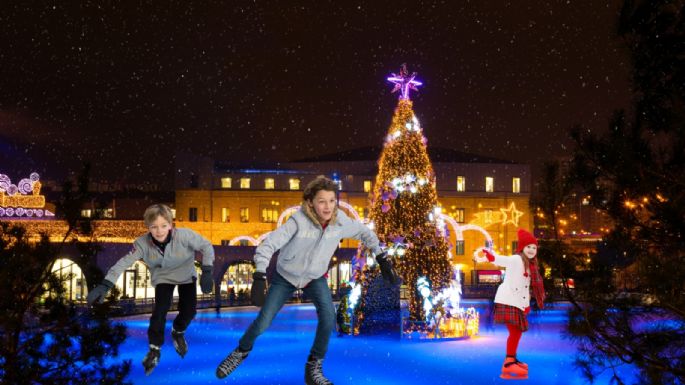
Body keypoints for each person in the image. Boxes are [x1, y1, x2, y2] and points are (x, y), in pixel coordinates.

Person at [215, 175, 398, 385]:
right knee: (264, 321)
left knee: (329, 317)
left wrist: (382, 258)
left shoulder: (340, 223)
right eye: (322, 201)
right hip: (286, 277)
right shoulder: (298, 222)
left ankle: (313, 367)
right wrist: (259, 275)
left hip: (314, 277)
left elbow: (366, 233)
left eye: (331, 200)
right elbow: (268, 245)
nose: (328, 206)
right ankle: (241, 351)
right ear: (311, 202)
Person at [86, 204, 215, 375]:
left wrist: (207, 270)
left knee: (189, 311)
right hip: (162, 277)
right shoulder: (142, 244)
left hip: (186, 276)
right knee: (160, 311)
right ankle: (155, 348)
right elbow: (123, 262)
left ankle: (178, 331)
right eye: (154, 227)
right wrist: (106, 283)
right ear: (148, 227)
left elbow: (206, 246)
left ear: (170, 225)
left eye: (163, 226)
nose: (159, 231)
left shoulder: (185, 236)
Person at [473, 229, 545, 380]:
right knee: (515, 332)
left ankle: (512, 358)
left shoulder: (530, 266)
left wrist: (526, 304)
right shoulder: (516, 259)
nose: (531, 250)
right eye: (528, 247)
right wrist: (490, 256)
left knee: (516, 332)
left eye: (534, 247)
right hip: (507, 300)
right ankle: (509, 362)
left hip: (516, 302)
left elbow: (526, 287)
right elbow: (500, 260)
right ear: (522, 248)